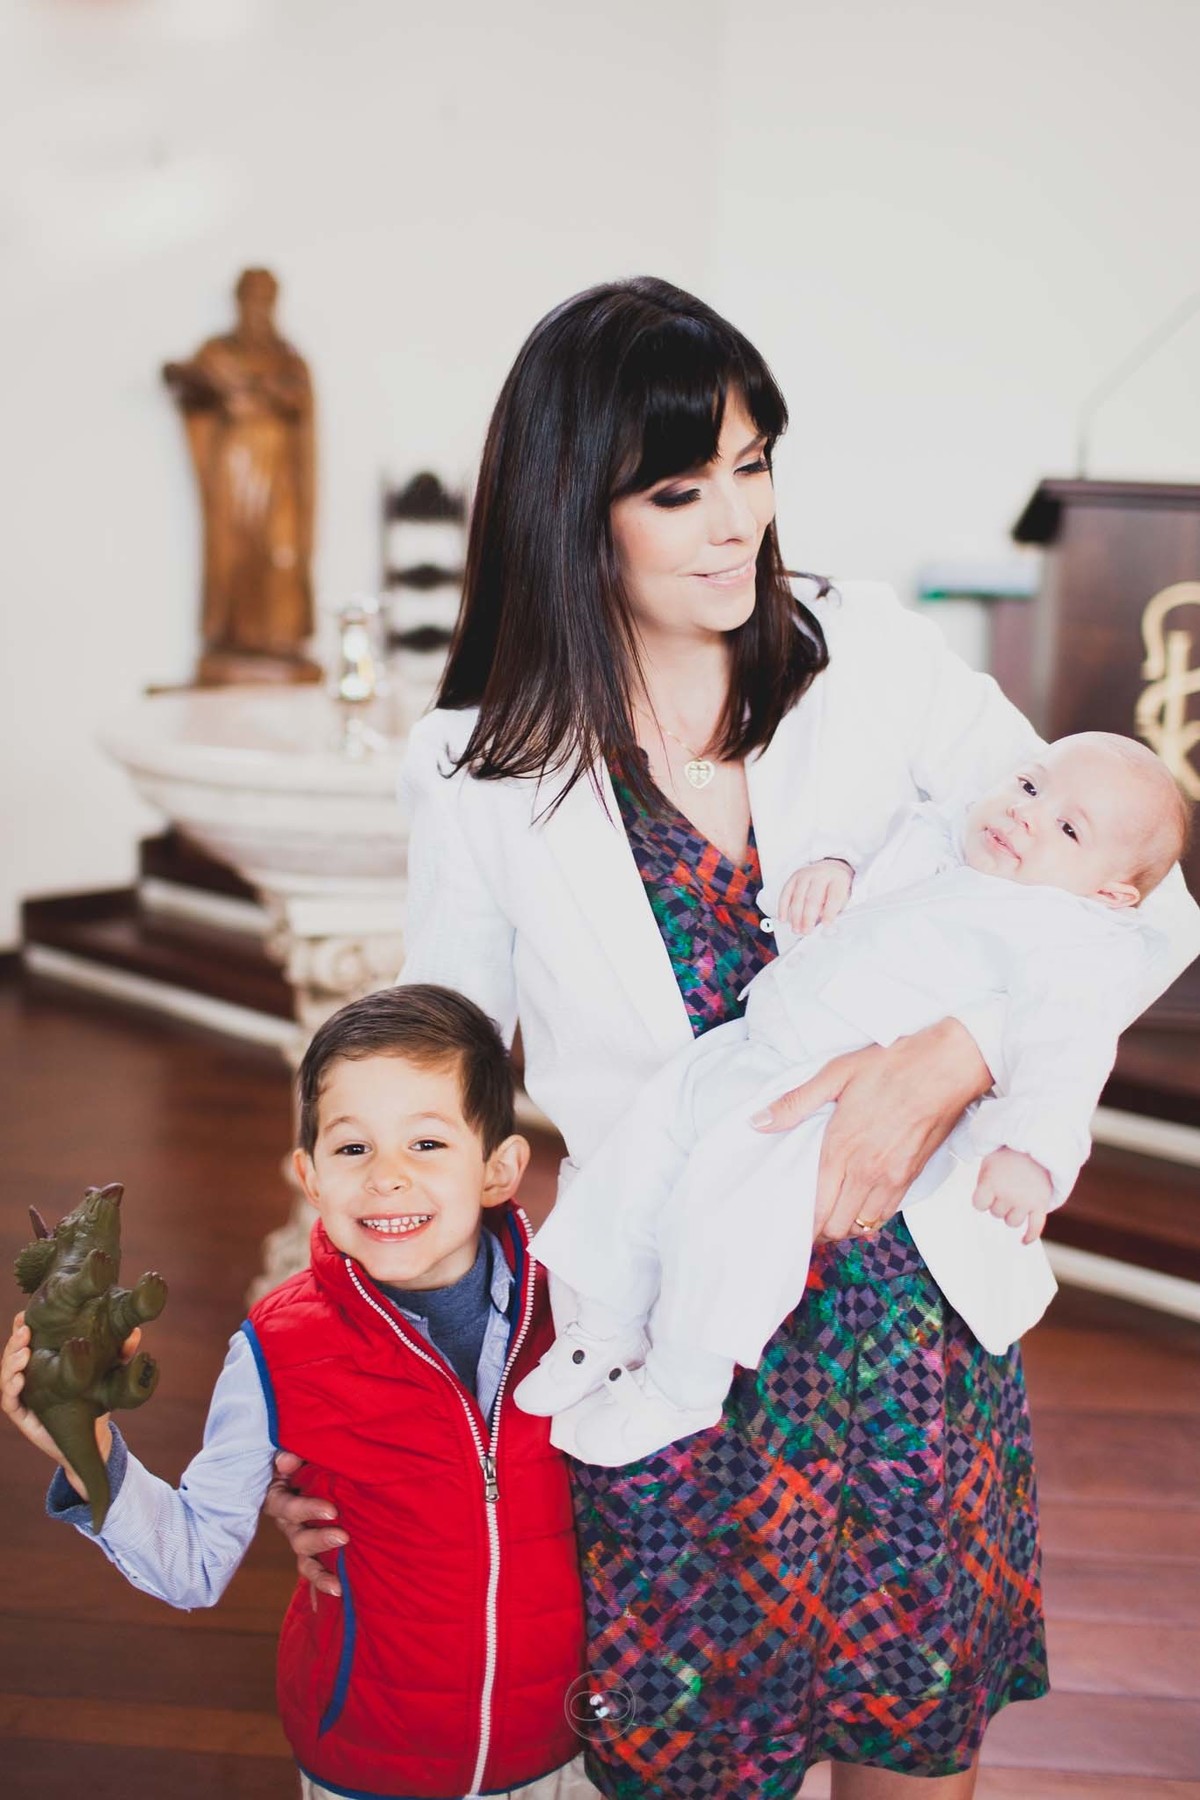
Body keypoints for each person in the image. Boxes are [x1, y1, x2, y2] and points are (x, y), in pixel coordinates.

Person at [266, 277, 1200, 1800]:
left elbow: (1143, 907)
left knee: (913, 1751)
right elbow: (428, 1093)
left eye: (753, 467)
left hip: (915, 1339)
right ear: (575, 506)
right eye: (678, 490)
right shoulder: (478, 769)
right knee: (687, 1761)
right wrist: (336, 1411)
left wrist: (951, 1061)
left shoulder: (871, 656)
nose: (735, 525)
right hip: (676, 1344)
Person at [515, 733, 1192, 1464]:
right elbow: (875, 845)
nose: (1027, 814)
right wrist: (834, 866)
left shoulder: (1070, 940)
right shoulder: (949, 842)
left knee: (725, 1219)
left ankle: (682, 1383)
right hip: (754, 1052)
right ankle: (604, 1324)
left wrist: (1029, 1150)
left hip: (830, 1113)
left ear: (1111, 893)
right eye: (1030, 786)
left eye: (1068, 829)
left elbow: (1069, 1054)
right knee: (640, 1150)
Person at [2, 986, 590, 1800]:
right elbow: (192, 1566)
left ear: (498, 1169)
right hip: (369, 1766)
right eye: (353, 1148)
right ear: (310, 1175)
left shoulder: (582, 1312)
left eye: (426, 1143)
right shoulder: (277, 1350)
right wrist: (86, 1446)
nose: (387, 1178)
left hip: (567, 1756)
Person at [163, 266, 320, 685]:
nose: (258, 308)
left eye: (266, 299)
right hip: (234, 462)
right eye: (251, 298)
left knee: (283, 550)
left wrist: (261, 392)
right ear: (239, 301)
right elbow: (186, 385)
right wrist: (199, 381)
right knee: (235, 551)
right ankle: (236, 638)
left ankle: (282, 639)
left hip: (280, 465)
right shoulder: (218, 351)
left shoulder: (288, 356)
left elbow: (299, 402)